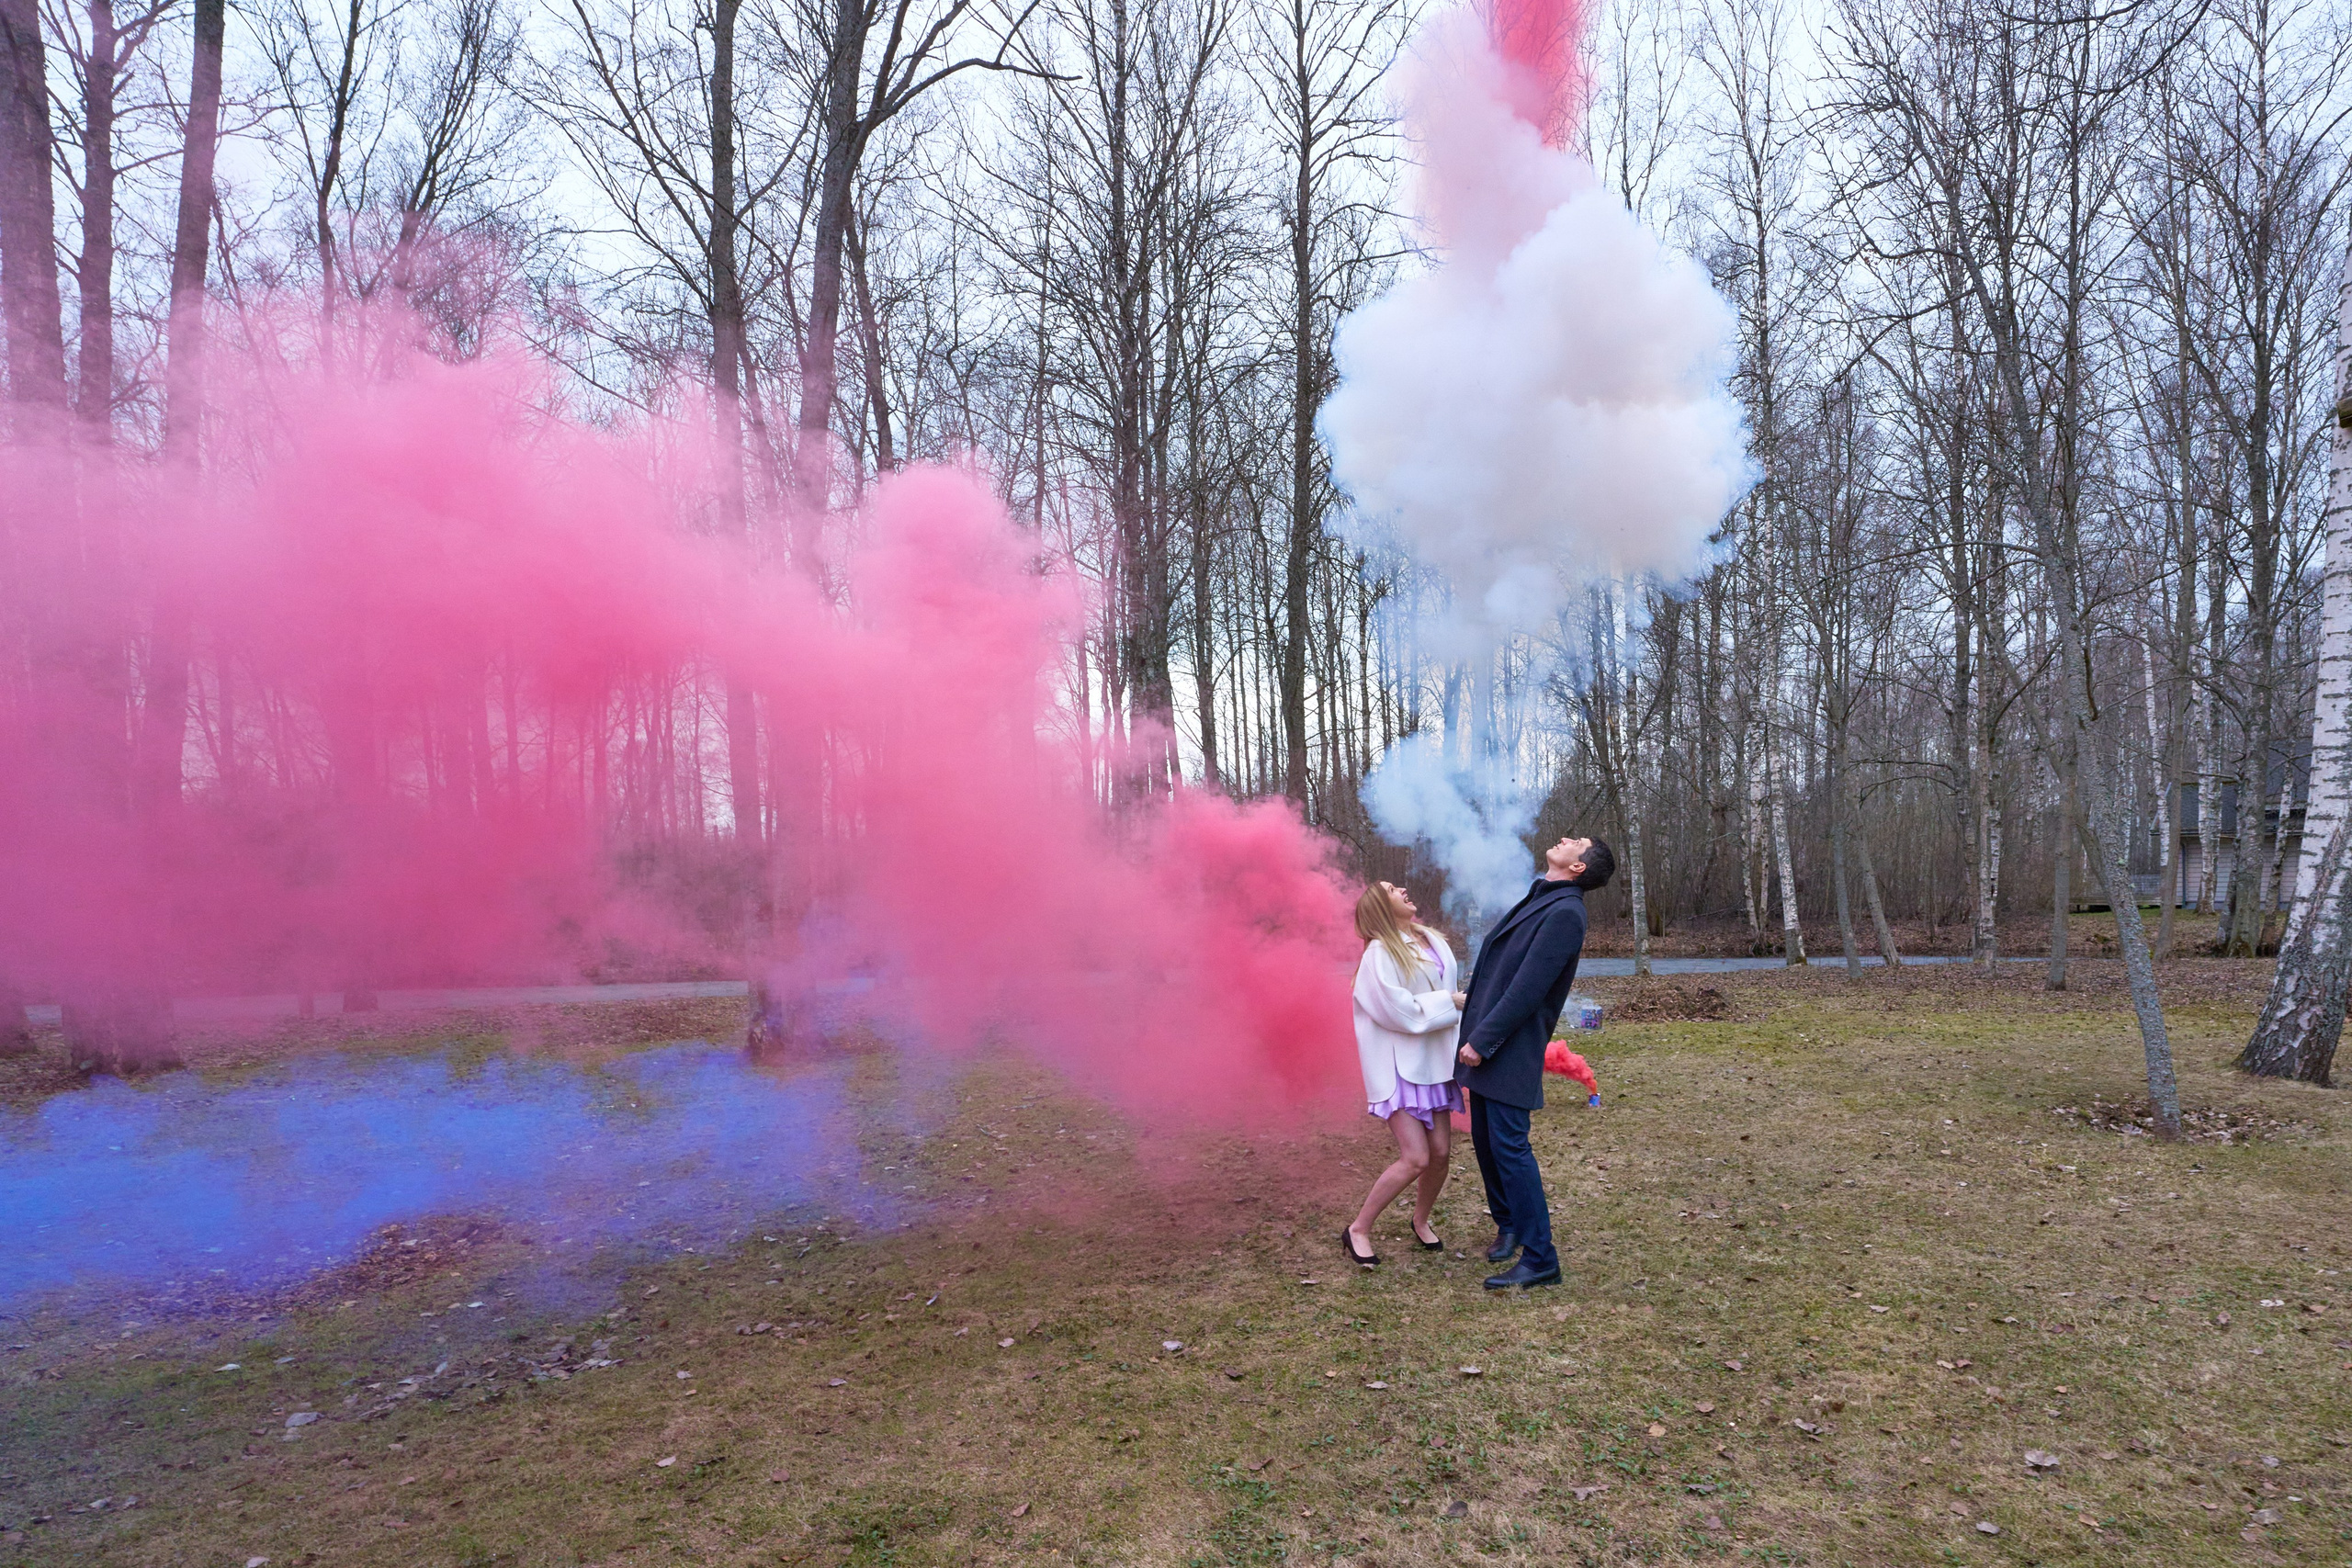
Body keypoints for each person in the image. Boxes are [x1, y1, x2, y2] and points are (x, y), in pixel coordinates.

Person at [1454, 835, 1615, 1289]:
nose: (1566, 839)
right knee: (1487, 1143)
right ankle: (1509, 1226)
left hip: (1510, 1045)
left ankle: (1541, 1257)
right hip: (1490, 1039)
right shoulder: (1542, 896)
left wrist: (1484, 1040)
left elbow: (1528, 987)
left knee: (1510, 1148)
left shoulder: (1566, 913)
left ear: (1580, 867)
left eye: (1577, 842)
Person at [1342, 881, 1469, 1267]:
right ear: (1381, 907)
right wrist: (1448, 1002)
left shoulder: (1432, 939)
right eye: (1392, 889)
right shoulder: (1379, 954)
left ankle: (1420, 1220)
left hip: (1436, 1063)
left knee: (1442, 1154)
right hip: (1399, 1067)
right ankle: (1358, 1229)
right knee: (1416, 1158)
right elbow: (1396, 1011)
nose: (1403, 889)